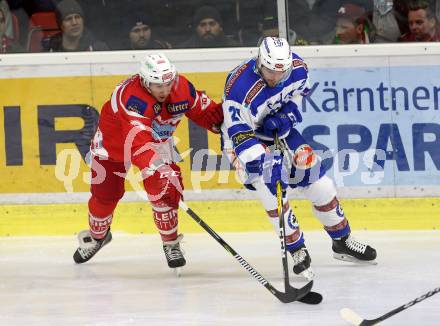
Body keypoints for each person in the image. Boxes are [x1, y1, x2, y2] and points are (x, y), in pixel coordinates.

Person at [221, 37, 377, 280]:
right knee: (271, 194)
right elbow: (239, 132)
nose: (274, 77)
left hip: (280, 132)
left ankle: (342, 241)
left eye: (280, 71)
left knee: (321, 185)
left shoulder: (299, 68)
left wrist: (286, 117)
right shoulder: (239, 88)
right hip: (245, 142)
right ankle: (297, 250)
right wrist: (262, 164)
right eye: (269, 70)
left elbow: (296, 99)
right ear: (260, 62)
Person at [73, 53, 223, 270]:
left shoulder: (181, 88)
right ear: (144, 81)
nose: (164, 89)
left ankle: (171, 243)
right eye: (157, 85)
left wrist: (225, 122)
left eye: (168, 83)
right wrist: (161, 171)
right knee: (105, 195)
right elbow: (139, 143)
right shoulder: (132, 99)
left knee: (163, 193)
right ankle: (97, 237)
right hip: (114, 145)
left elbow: (206, 112)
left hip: (156, 141)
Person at [43, 0, 109, 52]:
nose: (74, 23)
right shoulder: (50, 49)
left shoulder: (99, 49)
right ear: (60, 25)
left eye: (77, 17)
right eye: (68, 19)